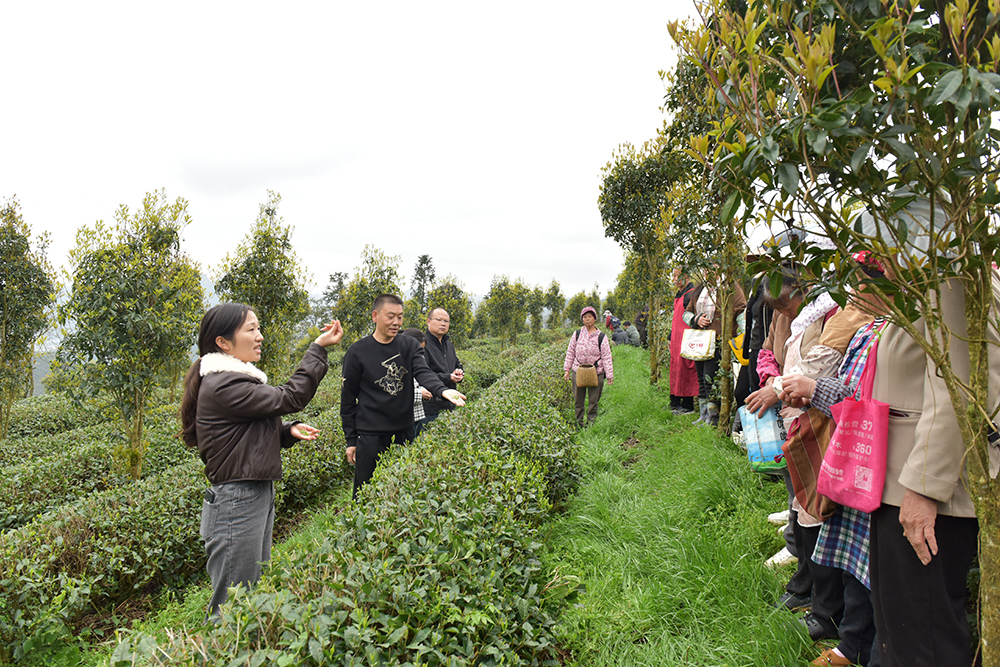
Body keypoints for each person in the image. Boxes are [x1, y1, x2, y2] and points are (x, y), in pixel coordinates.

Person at [780, 266, 1000, 666]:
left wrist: (924, 488)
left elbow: (957, 390)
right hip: (892, 482)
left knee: (923, 635)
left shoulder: (950, 282)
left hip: (921, 490)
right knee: (900, 624)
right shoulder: (914, 298)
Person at [179, 302, 344, 618]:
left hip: (249, 494)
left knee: (249, 592)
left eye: (258, 328)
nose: (260, 336)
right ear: (223, 342)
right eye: (251, 329)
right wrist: (318, 349)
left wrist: (287, 432)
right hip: (237, 500)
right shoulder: (225, 382)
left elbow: (245, 436)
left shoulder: (230, 378)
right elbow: (289, 398)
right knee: (232, 606)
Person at [341, 294, 466, 499]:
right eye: (391, 316)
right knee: (364, 494)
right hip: (370, 436)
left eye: (400, 317)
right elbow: (347, 400)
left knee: (401, 493)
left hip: (403, 433)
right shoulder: (357, 351)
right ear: (375, 316)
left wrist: (442, 389)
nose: (396, 322)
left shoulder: (409, 345)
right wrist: (351, 440)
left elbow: (423, 372)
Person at [683, 271, 746, 425]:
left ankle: (713, 417)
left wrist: (747, 334)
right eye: (705, 268)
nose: (706, 271)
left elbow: (741, 310)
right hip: (701, 341)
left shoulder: (730, 287)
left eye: (712, 267)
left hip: (719, 342)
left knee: (711, 378)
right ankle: (703, 415)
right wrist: (695, 319)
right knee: (701, 379)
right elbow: (687, 313)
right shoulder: (701, 288)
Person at [563, 305, 614, 427]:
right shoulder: (577, 334)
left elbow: (606, 356)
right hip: (578, 370)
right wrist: (567, 369)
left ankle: (591, 424)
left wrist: (610, 375)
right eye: (585, 317)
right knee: (578, 400)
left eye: (590, 317)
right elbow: (570, 351)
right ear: (582, 320)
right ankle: (578, 423)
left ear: (594, 318)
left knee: (593, 400)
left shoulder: (601, 337)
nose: (587, 319)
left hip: (596, 372)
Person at [422, 307, 464, 430]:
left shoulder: (448, 344)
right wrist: (448, 377)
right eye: (439, 320)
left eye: (446, 321)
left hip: (450, 404)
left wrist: (459, 373)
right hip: (431, 407)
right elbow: (423, 375)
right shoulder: (423, 344)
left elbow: (457, 364)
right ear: (428, 321)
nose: (443, 324)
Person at [669, 269, 699, 415]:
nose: (675, 279)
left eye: (677, 275)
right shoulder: (680, 294)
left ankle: (688, 405)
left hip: (686, 338)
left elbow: (691, 316)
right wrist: (670, 337)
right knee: (676, 368)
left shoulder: (691, 294)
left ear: (686, 276)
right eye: (673, 276)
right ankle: (675, 401)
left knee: (686, 369)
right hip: (676, 338)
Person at [400, 328, 434, 438]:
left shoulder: (416, 361)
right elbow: (396, 393)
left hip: (416, 415)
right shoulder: (396, 363)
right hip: (401, 421)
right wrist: (420, 393)